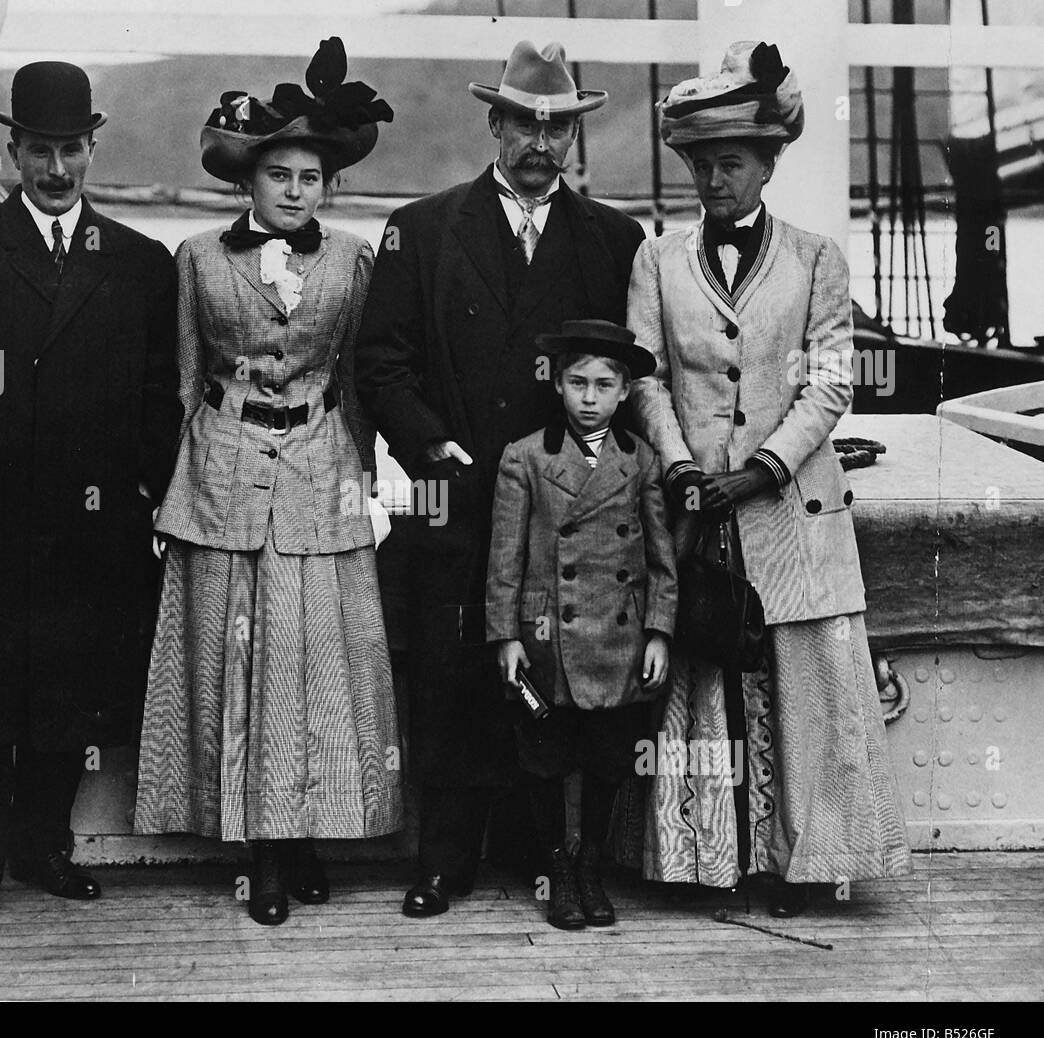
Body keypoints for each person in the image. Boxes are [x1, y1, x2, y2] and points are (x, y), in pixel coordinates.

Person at [0, 62, 181, 939]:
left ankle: (43, 847)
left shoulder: (138, 263)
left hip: (94, 526)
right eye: (39, 151)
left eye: (71, 150)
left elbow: (162, 392)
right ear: (13, 150)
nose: (56, 169)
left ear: (94, 144)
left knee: (71, 695)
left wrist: (140, 487)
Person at [356, 40, 646, 918]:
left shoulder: (615, 239)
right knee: (449, 672)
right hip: (456, 492)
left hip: (570, 514)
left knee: (556, 674)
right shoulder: (425, 226)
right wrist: (431, 447)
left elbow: (631, 386)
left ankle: (543, 855)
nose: (540, 141)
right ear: (495, 124)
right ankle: (443, 862)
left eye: (557, 127)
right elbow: (380, 361)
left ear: (573, 139)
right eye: (525, 122)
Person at [627, 41, 912, 917]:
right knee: (706, 680)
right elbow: (643, 375)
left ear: (766, 166)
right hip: (693, 506)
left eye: (733, 164)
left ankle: (804, 861)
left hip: (790, 506)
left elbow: (832, 379)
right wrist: (680, 466)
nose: (716, 181)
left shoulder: (817, 256)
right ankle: (713, 860)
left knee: (798, 687)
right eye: (704, 165)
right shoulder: (657, 260)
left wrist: (760, 470)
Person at [133, 39, 401, 927]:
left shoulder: (356, 259)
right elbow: (180, 378)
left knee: (315, 664)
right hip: (220, 473)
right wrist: (170, 495)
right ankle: (258, 854)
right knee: (236, 664)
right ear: (245, 181)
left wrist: (362, 480)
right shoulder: (198, 259)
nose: (294, 190)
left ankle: (309, 836)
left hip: (321, 476)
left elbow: (359, 386)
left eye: (311, 176)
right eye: (278, 174)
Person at [486, 320, 676, 930]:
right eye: (577, 383)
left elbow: (658, 558)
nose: (589, 397)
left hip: (618, 640)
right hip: (548, 639)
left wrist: (659, 631)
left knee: (608, 761)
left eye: (604, 384)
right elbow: (505, 558)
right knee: (544, 758)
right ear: (558, 385)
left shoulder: (640, 458)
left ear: (625, 392)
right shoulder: (526, 456)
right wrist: (507, 636)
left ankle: (590, 863)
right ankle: (557, 870)